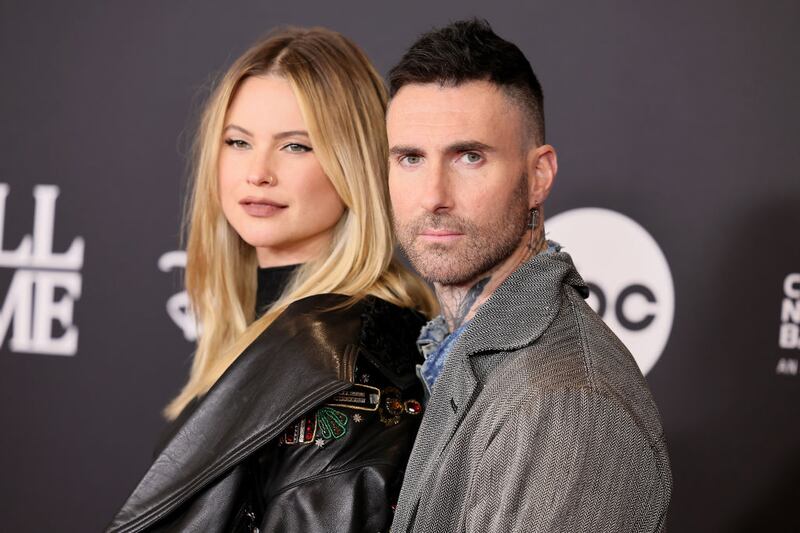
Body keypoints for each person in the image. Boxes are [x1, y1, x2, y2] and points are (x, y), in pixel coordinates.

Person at [107, 27, 436, 533]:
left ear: (355, 163)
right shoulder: (279, 329)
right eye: (238, 141)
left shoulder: (346, 360)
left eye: (296, 147)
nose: (258, 171)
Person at [386, 19, 672, 532]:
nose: (432, 195)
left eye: (469, 157)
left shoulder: (572, 406)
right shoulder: (445, 352)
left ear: (538, 175)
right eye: (410, 158)